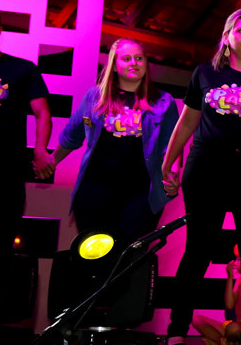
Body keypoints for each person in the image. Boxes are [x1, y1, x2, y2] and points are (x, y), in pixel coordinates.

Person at [161, 9, 241, 345]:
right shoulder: (204, 73)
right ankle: (176, 330)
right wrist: (169, 162)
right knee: (198, 249)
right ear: (227, 36)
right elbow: (187, 121)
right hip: (205, 169)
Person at [54, 39, 178, 242]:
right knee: (95, 254)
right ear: (114, 65)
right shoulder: (94, 97)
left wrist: (171, 176)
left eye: (139, 58)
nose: (134, 63)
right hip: (95, 190)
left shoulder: (163, 102)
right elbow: (71, 136)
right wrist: (51, 161)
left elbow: (171, 146)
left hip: (139, 194)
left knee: (130, 252)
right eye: (126, 59)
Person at [0, 11, 52, 308]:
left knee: (3, 241)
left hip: (6, 168)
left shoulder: (22, 69)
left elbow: (42, 112)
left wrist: (40, 149)